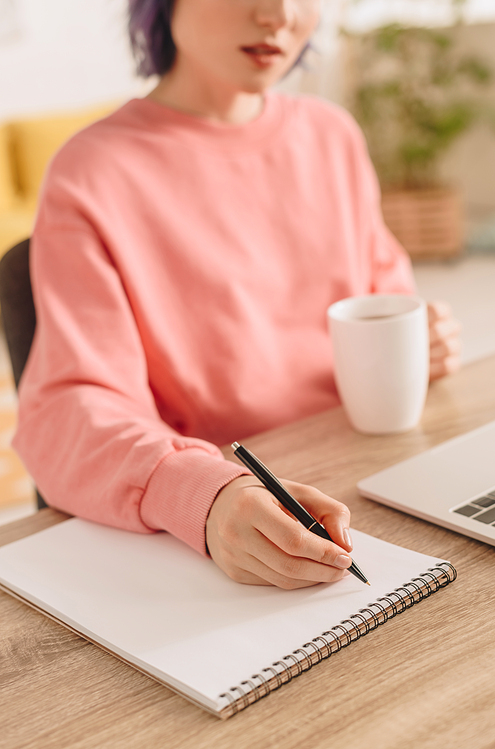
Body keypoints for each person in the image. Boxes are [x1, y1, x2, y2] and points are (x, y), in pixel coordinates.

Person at [13, 0, 461, 590]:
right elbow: (69, 412)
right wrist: (202, 491)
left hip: (375, 488)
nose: (279, 13)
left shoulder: (332, 135)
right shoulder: (93, 171)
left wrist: (420, 345)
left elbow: (385, 296)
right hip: (235, 535)